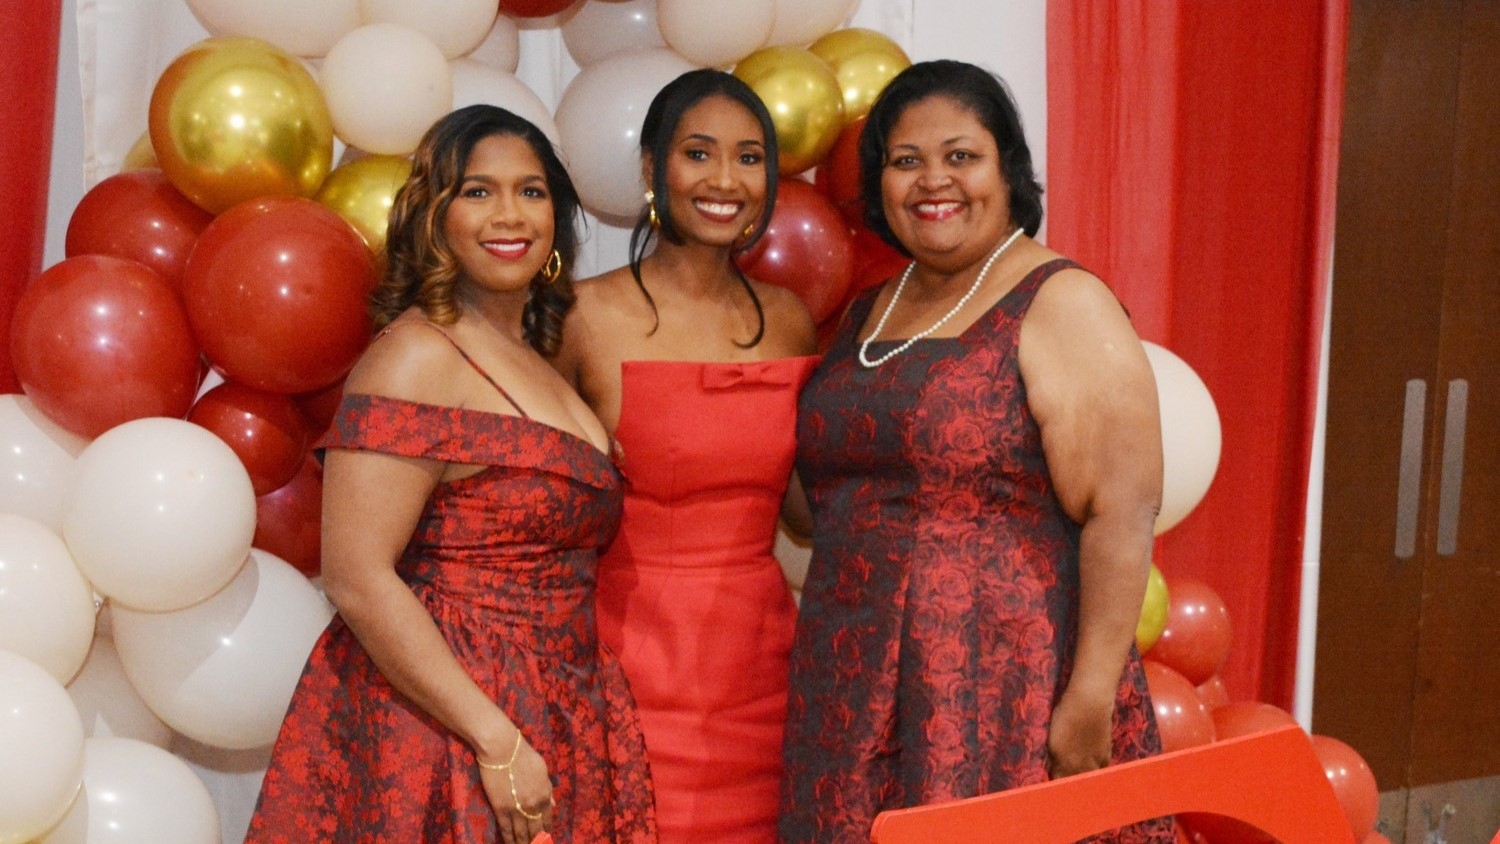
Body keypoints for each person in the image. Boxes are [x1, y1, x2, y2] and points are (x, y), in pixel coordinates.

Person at [778, 60, 1175, 843]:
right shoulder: (868, 309)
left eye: (961, 156)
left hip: (1000, 683)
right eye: (906, 161)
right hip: (850, 677)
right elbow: (822, 498)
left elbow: (1122, 512)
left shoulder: (1062, 300)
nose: (935, 181)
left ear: (1008, 169)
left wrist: (1090, 697)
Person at [245, 105, 656, 844]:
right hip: (444, 728)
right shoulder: (415, 356)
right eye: (477, 191)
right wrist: (493, 740)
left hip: (557, 704)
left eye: (532, 192)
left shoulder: (536, 356)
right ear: (433, 217)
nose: (511, 214)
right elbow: (357, 576)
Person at [552, 69, 817, 844]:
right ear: (650, 170)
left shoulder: (791, 321)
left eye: (749, 157)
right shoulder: (584, 316)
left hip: (763, 670)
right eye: (699, 154)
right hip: (624, 669)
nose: (725, 180)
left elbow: (804, 507)